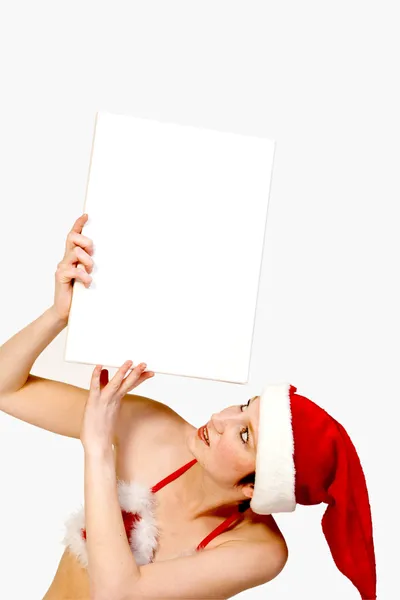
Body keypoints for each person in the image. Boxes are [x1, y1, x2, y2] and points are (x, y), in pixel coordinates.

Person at [0, 213, 376, 600]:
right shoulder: (152, 429)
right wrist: (58, 315)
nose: (219, 418)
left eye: (244, 434)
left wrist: (96, 448)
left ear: (254, 486)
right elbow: (5, 388)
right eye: (243, 407)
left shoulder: (259, 550)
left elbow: (117, 594)